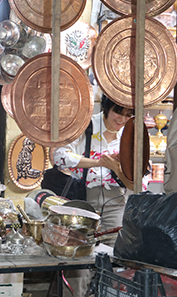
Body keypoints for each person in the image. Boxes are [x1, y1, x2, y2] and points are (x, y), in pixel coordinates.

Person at [50, 95, 137, 231]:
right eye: (118, 112)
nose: (122, 119)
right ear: (106, 107)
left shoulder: (130, 135)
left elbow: (138, 184)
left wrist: (115, 167)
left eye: (128, 115)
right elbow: (59, 156)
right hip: (82, 196)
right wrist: (98, 162)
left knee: (114, 244)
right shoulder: (86, 125)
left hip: (116, 200)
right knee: (80, 244)